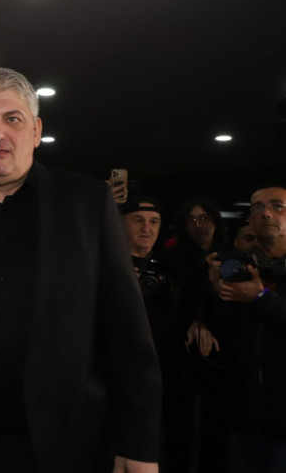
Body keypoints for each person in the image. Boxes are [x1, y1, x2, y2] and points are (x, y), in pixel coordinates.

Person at [0, 67, 161, 473]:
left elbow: (127, 333)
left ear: (36, 130)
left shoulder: (87, 203)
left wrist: (139, 444)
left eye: (12, 119)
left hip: (63, 444)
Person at [207, 186, 286, 472]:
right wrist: (215, 291)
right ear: (250, 219)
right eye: (257, 207)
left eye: (277, 206)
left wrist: (260, 298)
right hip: (243, 415)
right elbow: (225, 335)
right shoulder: (241, 268)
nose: (266, 213)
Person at [119, 197, 190, 472]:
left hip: (167, 378)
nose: (146, 229)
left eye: (154, 222)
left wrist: (198, 321)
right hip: (120, 378)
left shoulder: (172, 268)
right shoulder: (106, 266)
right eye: (138, 220)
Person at [162, 197, 230, 473]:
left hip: (220, 350)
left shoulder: (229, 256)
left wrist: (209, 323)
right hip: (181, 348)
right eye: (192, 219)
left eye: (204, 218)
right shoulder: (171, 258)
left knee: (216, 423)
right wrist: (192, 322)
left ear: (215, 222)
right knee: (178, 423)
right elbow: (169, 303)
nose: (199, 225)